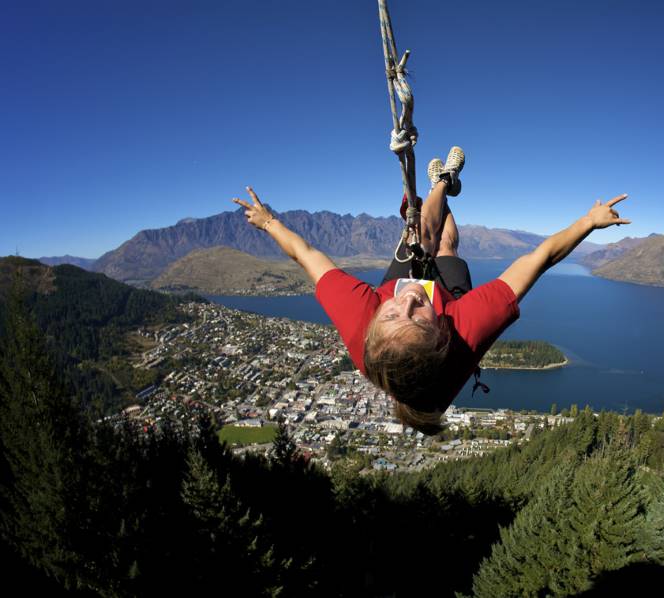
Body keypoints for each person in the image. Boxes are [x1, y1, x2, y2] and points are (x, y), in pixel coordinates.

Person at [233, 147, 630, 434]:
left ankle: (434, 190)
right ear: (440, 332)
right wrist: (588, 222)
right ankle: (444, 183)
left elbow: (305, 254)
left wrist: (268, 222)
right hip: (449, 312)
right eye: (416, 317)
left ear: (375, 321)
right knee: (447, 245)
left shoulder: (360, 320)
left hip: (402, 327)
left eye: (392, 313)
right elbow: (537, 260)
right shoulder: (464, 332)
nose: (409, 298)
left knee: (422, 237)